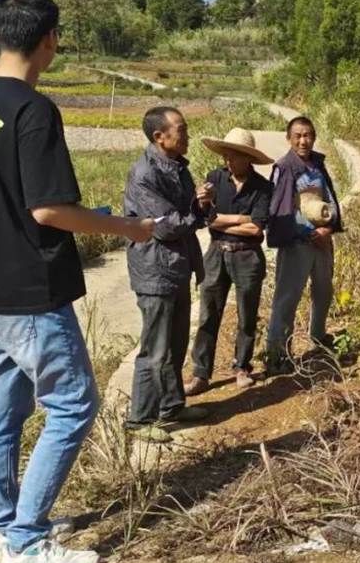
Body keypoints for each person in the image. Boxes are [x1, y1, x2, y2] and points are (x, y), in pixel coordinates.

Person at [0, 0, 154, 563]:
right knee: (74, 403)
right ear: (50, 40)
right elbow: (49, 210)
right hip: (27, 287)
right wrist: (127, 227)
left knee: (2, 407)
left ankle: (4, 527)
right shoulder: (33, 109)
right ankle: (26, 546)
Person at [123, 106, 212, 443]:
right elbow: (163, 227)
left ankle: (171, 407)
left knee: (175, 343)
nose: (186, 134)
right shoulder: (145, 174)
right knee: (155, 349)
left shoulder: (177, 167)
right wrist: (196, 213)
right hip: (155, 270)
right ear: (159, 136)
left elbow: (186, 213)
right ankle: (140, 419)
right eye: (181, 129)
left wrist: (200, 204)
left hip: (176, 267)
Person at [187, 128, 273, 395]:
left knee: (247, 315)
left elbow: (256, 228)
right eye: (226, 155)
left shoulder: (263, 187)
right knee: (208, 314)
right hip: (216, 253)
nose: (228, 160)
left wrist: (222, 220)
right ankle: (201, 373)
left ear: (247, 158)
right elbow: (206, 219)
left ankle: (242, 366)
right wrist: (240, 219)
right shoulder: (214, 179)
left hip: (247, 255)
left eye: (233, 156)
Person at [263, 116, 344, 375]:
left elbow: (330, 199)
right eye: (297, 136)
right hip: (297, 244)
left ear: (314, 137)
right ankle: (277, 355)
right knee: (287, 298)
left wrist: (328, 228)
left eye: (307, 135)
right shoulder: (284, 168)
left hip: (322, 241)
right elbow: (279, 210)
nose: (303, 141)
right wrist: (308, 233)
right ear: (288, 139)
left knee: (323, 291)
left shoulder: (317, 165)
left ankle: (318, 338)